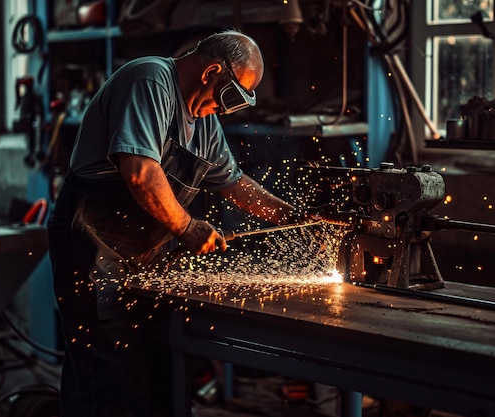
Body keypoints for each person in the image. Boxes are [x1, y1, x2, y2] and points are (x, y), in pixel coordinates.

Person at [47, 30, 306, 416]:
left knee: (159, 375)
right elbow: (139, 171)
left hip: (148, 257)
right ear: (212, 71)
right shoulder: (150, 80)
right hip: (94, 251)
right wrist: (187, 227)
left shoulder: (204, 123)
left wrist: (295, 219)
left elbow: (234, 183)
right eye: (230, 96)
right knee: (107, 380)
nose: (225, 109)